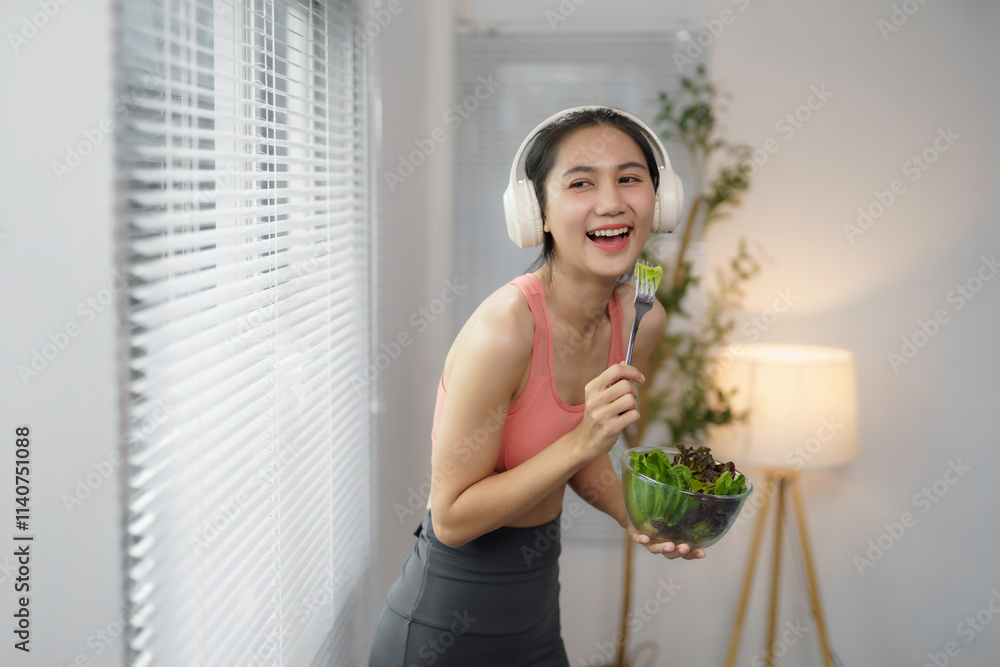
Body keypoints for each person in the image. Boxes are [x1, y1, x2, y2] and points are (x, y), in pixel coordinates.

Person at [368, 106, 702, 667]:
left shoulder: (640, 319)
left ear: (659, 200)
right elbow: (450, 518)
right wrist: (584, 441)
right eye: (580, 183)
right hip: (442, 628)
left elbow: (583, 460)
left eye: (629, 178)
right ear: (536, 213)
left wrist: (638, 516)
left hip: (536, 619)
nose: (611, 201)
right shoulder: (504, 329)